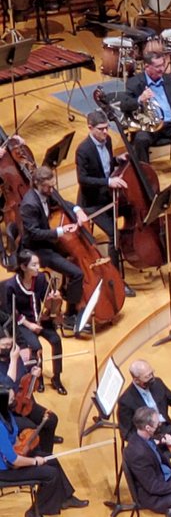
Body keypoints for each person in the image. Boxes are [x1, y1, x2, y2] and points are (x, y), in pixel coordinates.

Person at [0, 389, 85, 517]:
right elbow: (13, 461)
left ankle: (65, 498)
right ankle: (34, 512)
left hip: (16, 456)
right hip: (5, 470)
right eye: (11, 400)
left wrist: (24, 444)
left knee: (52, 459)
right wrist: (34, 461)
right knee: (51, 475)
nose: (14, 402)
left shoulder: (6, 415)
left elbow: (14, 439)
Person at [19, 165, 88, 329]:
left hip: (49, 243)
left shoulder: (46, 193)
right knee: (77, 273)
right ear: (37, 183)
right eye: (48, 186)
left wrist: (78, 210)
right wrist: (59, 231)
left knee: (75, 259)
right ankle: (70, 317)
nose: (52, 189)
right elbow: (34, 233)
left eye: (53, 185)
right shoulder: (29, 204)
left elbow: (64, 203)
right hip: (37, 250)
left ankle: (69, 295)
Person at [73, 110, 132, 280]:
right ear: (90, 128)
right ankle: (117, 277)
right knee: (114, 234)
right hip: (92, 203)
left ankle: (131, 251)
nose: (106, 132)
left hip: (108, 195)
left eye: (107, 128)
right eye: (101, 129)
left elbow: (104, 164)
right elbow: (83, 179)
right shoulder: (83, 150)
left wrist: (116, 160)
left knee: (132, 211)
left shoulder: (108, 141)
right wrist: (107, 182)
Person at [4, 251, 67, 394]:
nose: (38, 267)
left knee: (56, 340)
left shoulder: (40, 279)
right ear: (23, 267)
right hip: (24, 323)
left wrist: (54, 298)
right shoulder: (11, 286)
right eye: (34, 265)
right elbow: (11, 312)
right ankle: (39, 379)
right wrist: (29, 325)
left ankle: (56, 378)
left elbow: (47, 298)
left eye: (38, 264)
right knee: (36, 348)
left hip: (41, 319)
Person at [0, 336, 61, 454]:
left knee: (51, 419)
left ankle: (46, 453)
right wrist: (13, 360)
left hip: (21, 402)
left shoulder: (14, 355)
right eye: (4, 345)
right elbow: (8, 389)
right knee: (33, 427)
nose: (8, 348)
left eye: (10, 344)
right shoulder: (13, 357)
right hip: (6, 411)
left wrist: (32, 374)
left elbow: (23, 375)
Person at [125, 52, 171, 163]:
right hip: (149, 127)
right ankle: (145, 176)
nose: (162, 69)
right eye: (157, 66)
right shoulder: (133, 83)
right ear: (147, 67)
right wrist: (140, 99)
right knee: (140, 140)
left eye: (163, 65)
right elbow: (125, 105)